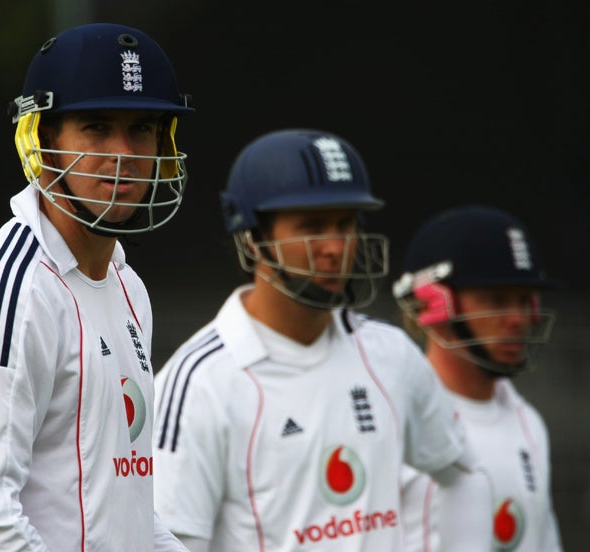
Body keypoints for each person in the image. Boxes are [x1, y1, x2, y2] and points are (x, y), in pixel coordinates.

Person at [0, 23, 194, 551]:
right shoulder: (8, 291)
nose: (124, 153)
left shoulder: (127, 287)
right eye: (96, 127)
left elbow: (127, 508)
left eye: (142, 129)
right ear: (39, 138)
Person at [151, 128, 493, 551]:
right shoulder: (199, 382)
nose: (335, 247)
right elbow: (171, 540)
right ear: (252, 237)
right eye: (312, 225)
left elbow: (463, 473)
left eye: (346, 224)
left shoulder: (390, 354)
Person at [392, 205, 564, 551]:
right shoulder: (394, 416)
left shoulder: (527, 422)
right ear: (433, 303)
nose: (518, 319)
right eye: (496, 299)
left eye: (523, 300)